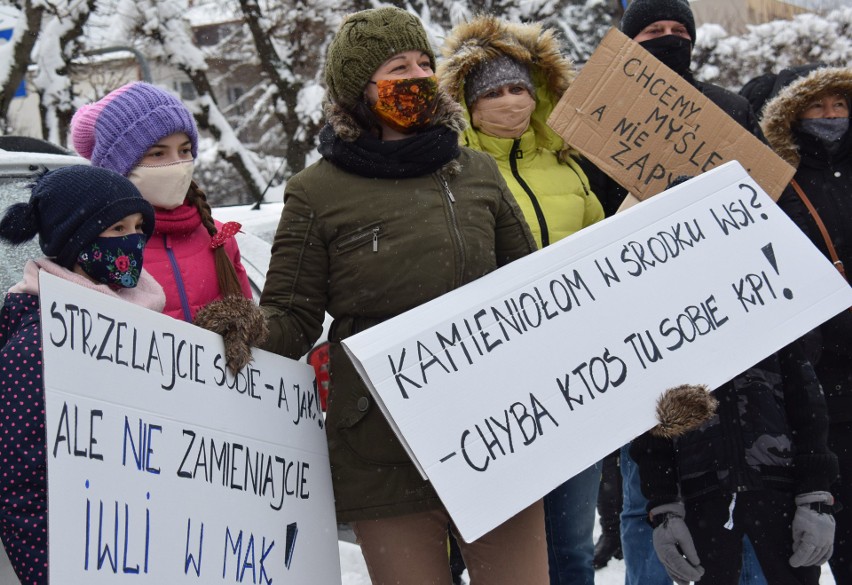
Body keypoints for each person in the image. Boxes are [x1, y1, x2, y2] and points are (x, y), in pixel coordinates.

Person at [258, 7, 546, 584]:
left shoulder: (477, 171)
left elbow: (533, 292)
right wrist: (238, 330)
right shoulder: (316, 192)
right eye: (397, 67)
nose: (416, 77)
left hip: (494, 427)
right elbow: (291, 317)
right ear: (357, 90)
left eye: (423, 63)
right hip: (381, 443)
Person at [576, 2, 772, 583]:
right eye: (653, 32)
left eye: (679, 32)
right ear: (628, 46)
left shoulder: (733, 110)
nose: (669, 39)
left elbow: (762, 203)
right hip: (639, 322)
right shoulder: (597, 119)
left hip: (728, 315)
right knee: (649, 476)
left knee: (740, 471)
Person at [438, 15, 604, 585]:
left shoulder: (569, 167)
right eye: (492, 92)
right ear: (465, 103)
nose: (509, 101)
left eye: (518, 89)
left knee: (572, 550)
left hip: (580, 375)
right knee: (502, 556)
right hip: (499, 387)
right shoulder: (449, 174)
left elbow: (605, 253)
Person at [0, 165, 166, 584]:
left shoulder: (150, 327)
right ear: (75, 238)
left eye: (139, 226)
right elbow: (21, 488)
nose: (133, 239)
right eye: (116, 228)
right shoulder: (36, 346)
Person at [69, 82, 262, 373]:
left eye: (185, 150)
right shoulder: (98, 247)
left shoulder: (219, 237)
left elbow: (250, 334)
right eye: (158, 154)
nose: (178, 165)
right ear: (119, 167)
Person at [630, 347, 839, 584]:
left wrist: (815, 493)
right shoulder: (653, 330)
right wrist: (663, 507)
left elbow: (808, 404)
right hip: (703, 500)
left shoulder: (772, 318)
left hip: (780, 494)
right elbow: (649, 433)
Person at [760, 64, 852, 584]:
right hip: (819, 378)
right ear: (793, 115)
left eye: (839, 105)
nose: (830, 116)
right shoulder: (779, 185)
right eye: (817, 107)